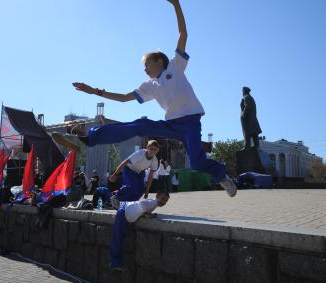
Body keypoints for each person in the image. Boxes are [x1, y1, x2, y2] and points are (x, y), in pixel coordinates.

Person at [56, 0, 236, 197]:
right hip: (172, 124)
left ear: (160, 61)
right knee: (139, 125)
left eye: (147, 64)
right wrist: (95, 91)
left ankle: (222, 176)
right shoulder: (148, 86)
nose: (144, 69)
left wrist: (175, 4)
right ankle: (90, 137)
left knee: (197, 162)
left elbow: (183, 34)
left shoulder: (175, 67)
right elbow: (125, 98)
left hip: (191, 123)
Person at [109, 190, 169, 271]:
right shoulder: (153, 203)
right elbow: (142, 203)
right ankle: (115, 264)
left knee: (118, 239)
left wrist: (144, 213)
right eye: (162, 199)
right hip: (123, 213)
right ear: (157, 196)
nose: (164, 202)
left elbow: (140, 205)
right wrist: (147, 213)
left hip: (125, 210)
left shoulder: (153, 202)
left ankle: (116, 263)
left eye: (166, 200)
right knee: (118, 239)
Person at [108, 140, 159, 209]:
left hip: (139, 171)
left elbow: (150, 176)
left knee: (140, 191)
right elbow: (125, 162)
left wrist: (147, 192)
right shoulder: (140, 153)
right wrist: (115, 175)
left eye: (155, 150)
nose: (153, 151)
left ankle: (129, 204)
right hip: (129, 169)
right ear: (147, 148)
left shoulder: (155, 160)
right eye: (151, 149)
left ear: (157, 151)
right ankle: (116, 197)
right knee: (133, 187)